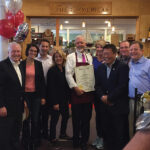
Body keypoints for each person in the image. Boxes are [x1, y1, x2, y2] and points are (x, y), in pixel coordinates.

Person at [95, 44, 129, 150]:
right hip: (104, 107)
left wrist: (109, 98)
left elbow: (122, 86)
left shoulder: (122, 66)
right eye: (104, 54)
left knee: (119, 134)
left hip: (118, 107)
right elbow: (97, 85)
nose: (105, 56)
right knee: (106, 132)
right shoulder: (100, 67)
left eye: (108, 54)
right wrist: (102, 97)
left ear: (115, 53)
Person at [65, 35, 94, 150]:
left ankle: (84, 141)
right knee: (76, 118)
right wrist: (75, 87)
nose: (80, 45)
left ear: (85, 44)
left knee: (86, 119)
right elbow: (68, 74)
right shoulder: (71, 57)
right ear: (75, 44)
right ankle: (76, 140)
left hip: (88, 92)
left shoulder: (89, 56)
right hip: (76, 92)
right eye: (78, 43)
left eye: (82, 43)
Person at [0, 42, 25, 150]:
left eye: (18, 51)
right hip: (6, 108)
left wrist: (23, 100)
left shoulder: (21, 65)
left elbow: (20, 86)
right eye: (13, 51)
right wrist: (1, 106)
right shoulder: (2, 66)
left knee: (16, 132)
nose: (16, 53)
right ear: (8, 52)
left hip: (18, 107)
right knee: (5, 135)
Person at [21, 43, 46, 150]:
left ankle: (34, 140)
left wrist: (43, 97)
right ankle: (25, 141)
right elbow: (19, 82)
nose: (33, 53)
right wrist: (21, 98)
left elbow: (42, 82)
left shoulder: (38, 64)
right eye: (31, 51)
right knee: (26, 119)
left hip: (36, 96)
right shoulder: (21, 64)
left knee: (35, 120)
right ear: (27, 51)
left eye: (35, 51)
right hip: (25, 96)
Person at [47, 50, 71, 142]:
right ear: (54, 59)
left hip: (64, 99)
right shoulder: (52, 70)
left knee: (65, 116)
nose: (58, 58)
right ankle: (52, 137)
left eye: (60, 56)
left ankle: (63, 134)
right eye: (56, 57)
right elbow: (51, 88)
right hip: (56, 100)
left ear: (63, 58)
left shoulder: (65, 69)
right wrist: (55, 103)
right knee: (54, 119)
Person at [128, 41, 150, 137]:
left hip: (145, 101)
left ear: (142, 50)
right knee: (131, 125)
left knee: (144, 127)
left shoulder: (148, 64)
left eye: (135, 49)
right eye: (131, 49)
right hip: (132, 100)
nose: (133, 51)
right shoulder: (130, 63)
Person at [36, 39, 53, 139]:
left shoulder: (51, 59)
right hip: (37, 90)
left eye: (47, 46)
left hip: (48, 89)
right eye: (43, 46)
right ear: (39, 46)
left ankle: (45, 132)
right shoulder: (35, 59)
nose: (45, 48)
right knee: (37, 113)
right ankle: (37, 132)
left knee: (46, 113)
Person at [92, 40, 105, 149]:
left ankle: (103, 137)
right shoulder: (92, 60)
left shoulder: (107, 61)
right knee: (97, 116)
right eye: (97, 48)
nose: (99, 51)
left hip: (105, 93)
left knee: (103, 115)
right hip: (94, 92)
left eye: (101, 48)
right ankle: (98, 136)